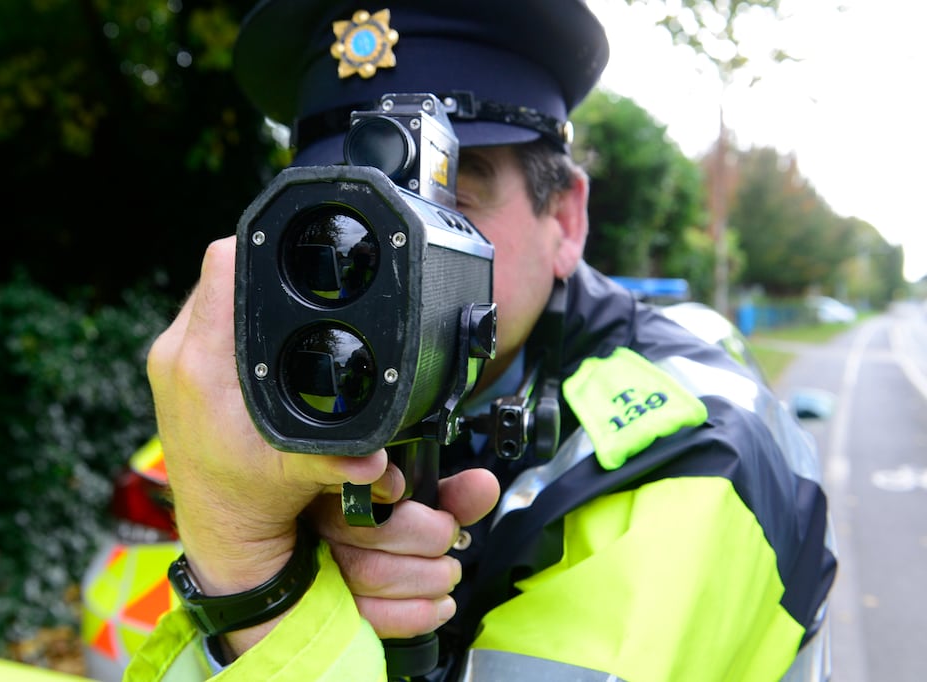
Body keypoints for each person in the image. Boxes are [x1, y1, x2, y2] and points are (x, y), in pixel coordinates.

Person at [125, 1, 837, 680]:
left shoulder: (693, 469)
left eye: (449, 207)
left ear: (566, 219)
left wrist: (253, 584)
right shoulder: (252, 419)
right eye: (338, 217)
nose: (375, 260)